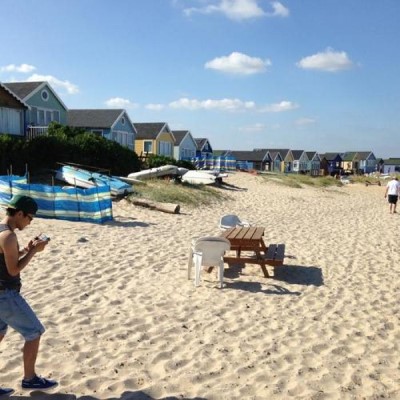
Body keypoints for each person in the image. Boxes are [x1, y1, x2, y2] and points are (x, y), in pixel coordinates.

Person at [0, 195, 58, 396]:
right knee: (34, 333)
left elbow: (7, 258)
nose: (30, 222)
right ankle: (30, 379)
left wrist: (28, 248)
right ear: (19, 213)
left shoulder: (2, 232)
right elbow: (13, 270)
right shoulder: (8, 236)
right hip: (5, 296)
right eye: (29, 218)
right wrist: (34, 253)